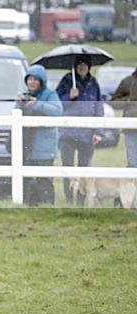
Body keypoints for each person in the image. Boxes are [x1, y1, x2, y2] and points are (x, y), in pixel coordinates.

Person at [55, 56, 104, 205]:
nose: (82, 67)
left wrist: (98, 131)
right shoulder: (66, 81)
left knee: (85, 169)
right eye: (80, 64)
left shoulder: (94, 83)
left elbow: (99, 108)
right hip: (68, 133)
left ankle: (81, 200)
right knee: (68, 168)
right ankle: (69, 199)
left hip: (87, 134)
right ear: (75, 66)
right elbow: (56, 104)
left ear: (89, 67)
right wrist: (69, 97)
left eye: (85, 64)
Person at [16, 64, 63, 206]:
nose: (32, 82)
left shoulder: (50, 94)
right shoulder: (25, 95)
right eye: (30, 79)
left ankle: (47, 207)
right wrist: (20, 104)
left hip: (44, 149)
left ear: (42, 81)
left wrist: (37, 104)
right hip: (27, 147)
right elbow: (16, 114)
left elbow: (57, 111)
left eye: (35, 79)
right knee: (27, 182)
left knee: (44, 182)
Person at [110, 66, 137, 168]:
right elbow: (113, 102)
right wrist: (128, 101)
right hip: (131, 129)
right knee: (132, 162)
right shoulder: (127, 81)